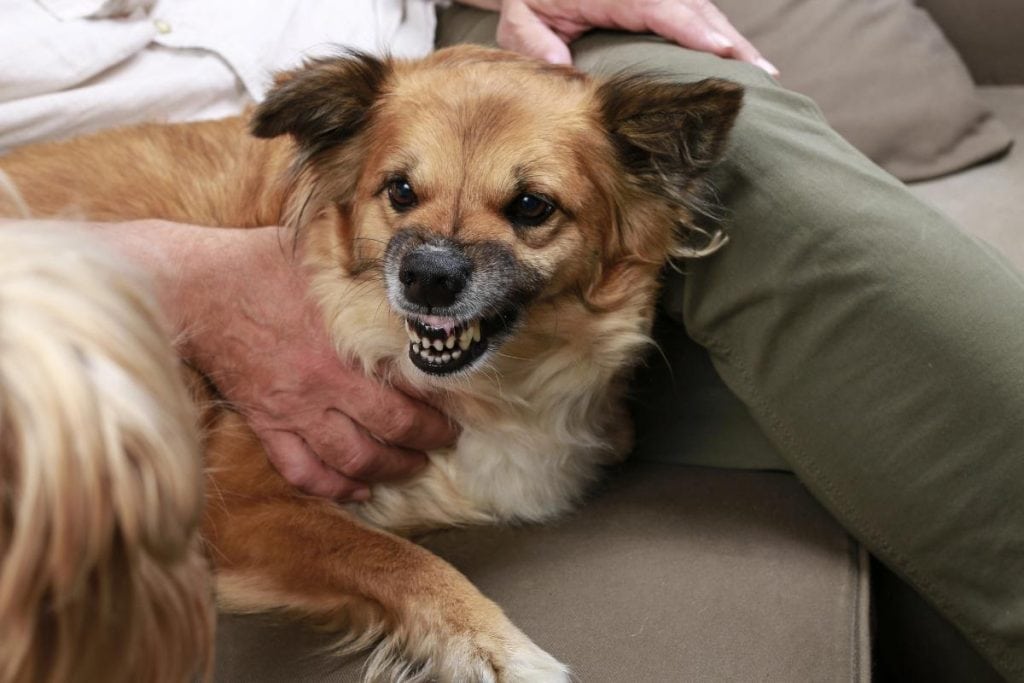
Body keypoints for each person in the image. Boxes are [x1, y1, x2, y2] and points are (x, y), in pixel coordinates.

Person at [1, 1, 1021, 679]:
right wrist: (156, 270)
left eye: (523, 211)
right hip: (84, 189)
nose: (441, 254)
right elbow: (245, 518)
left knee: (771, 178)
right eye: (408, 207)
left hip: (428, 35)